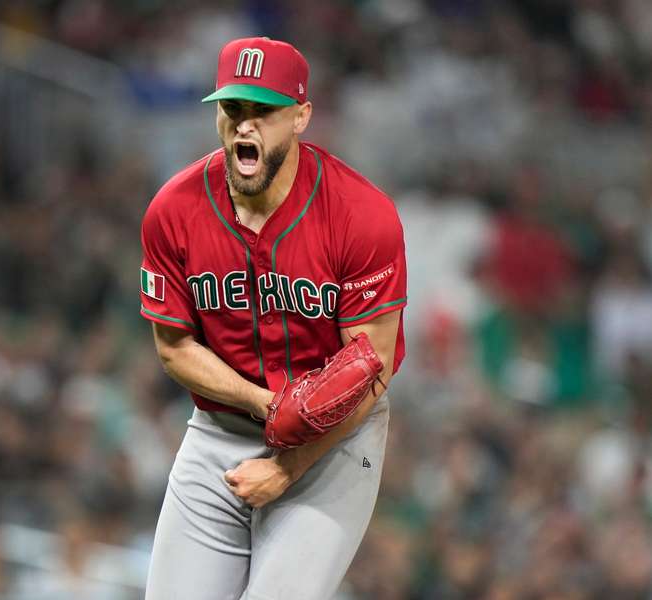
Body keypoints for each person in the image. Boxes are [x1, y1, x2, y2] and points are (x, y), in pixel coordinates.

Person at [139, 37, 407, 600]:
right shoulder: (175, 209)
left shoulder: (362, 216)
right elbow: (174, 347)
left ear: (301, 116)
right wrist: (265, 405)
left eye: (264, 111)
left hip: (334, 440)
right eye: (233, 109)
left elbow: (371, 366)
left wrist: (287, 467)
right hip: (219, 433)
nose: (245, 126)